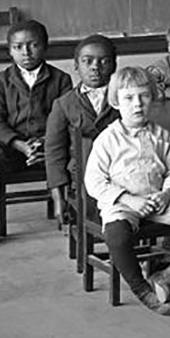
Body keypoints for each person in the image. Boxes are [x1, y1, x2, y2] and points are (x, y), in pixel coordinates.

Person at [84, 67, 170, 315]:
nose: (137, 104)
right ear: (115, 102)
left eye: (144, 97)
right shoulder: (107, 139)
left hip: (159, 201)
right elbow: (94, 181)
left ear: (152, 99)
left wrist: (166, 194)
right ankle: (142, 289)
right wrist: (129, 200)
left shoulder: (160, 135)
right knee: (116, 236)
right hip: (124, 203)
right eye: (129, 98)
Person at [0, 20, 72, 252]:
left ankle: (69, 210)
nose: (26, 52)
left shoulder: (61, 80)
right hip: (12, 152)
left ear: (45, 47)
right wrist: (21, 145)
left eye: (33, 45)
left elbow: (66, 120)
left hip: (51, 153)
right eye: (18, 47)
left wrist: (45, 145)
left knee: (81, 148)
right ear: (10, 50)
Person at [45, 34, 119, 225]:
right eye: (88, 61)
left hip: (120, 174)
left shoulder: (125, 98)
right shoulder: (63, 104)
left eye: (104, 61)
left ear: (114, 66)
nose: (95, 67)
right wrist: (58, 199)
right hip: (81, 178)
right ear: (76, 66)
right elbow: (54, 152)